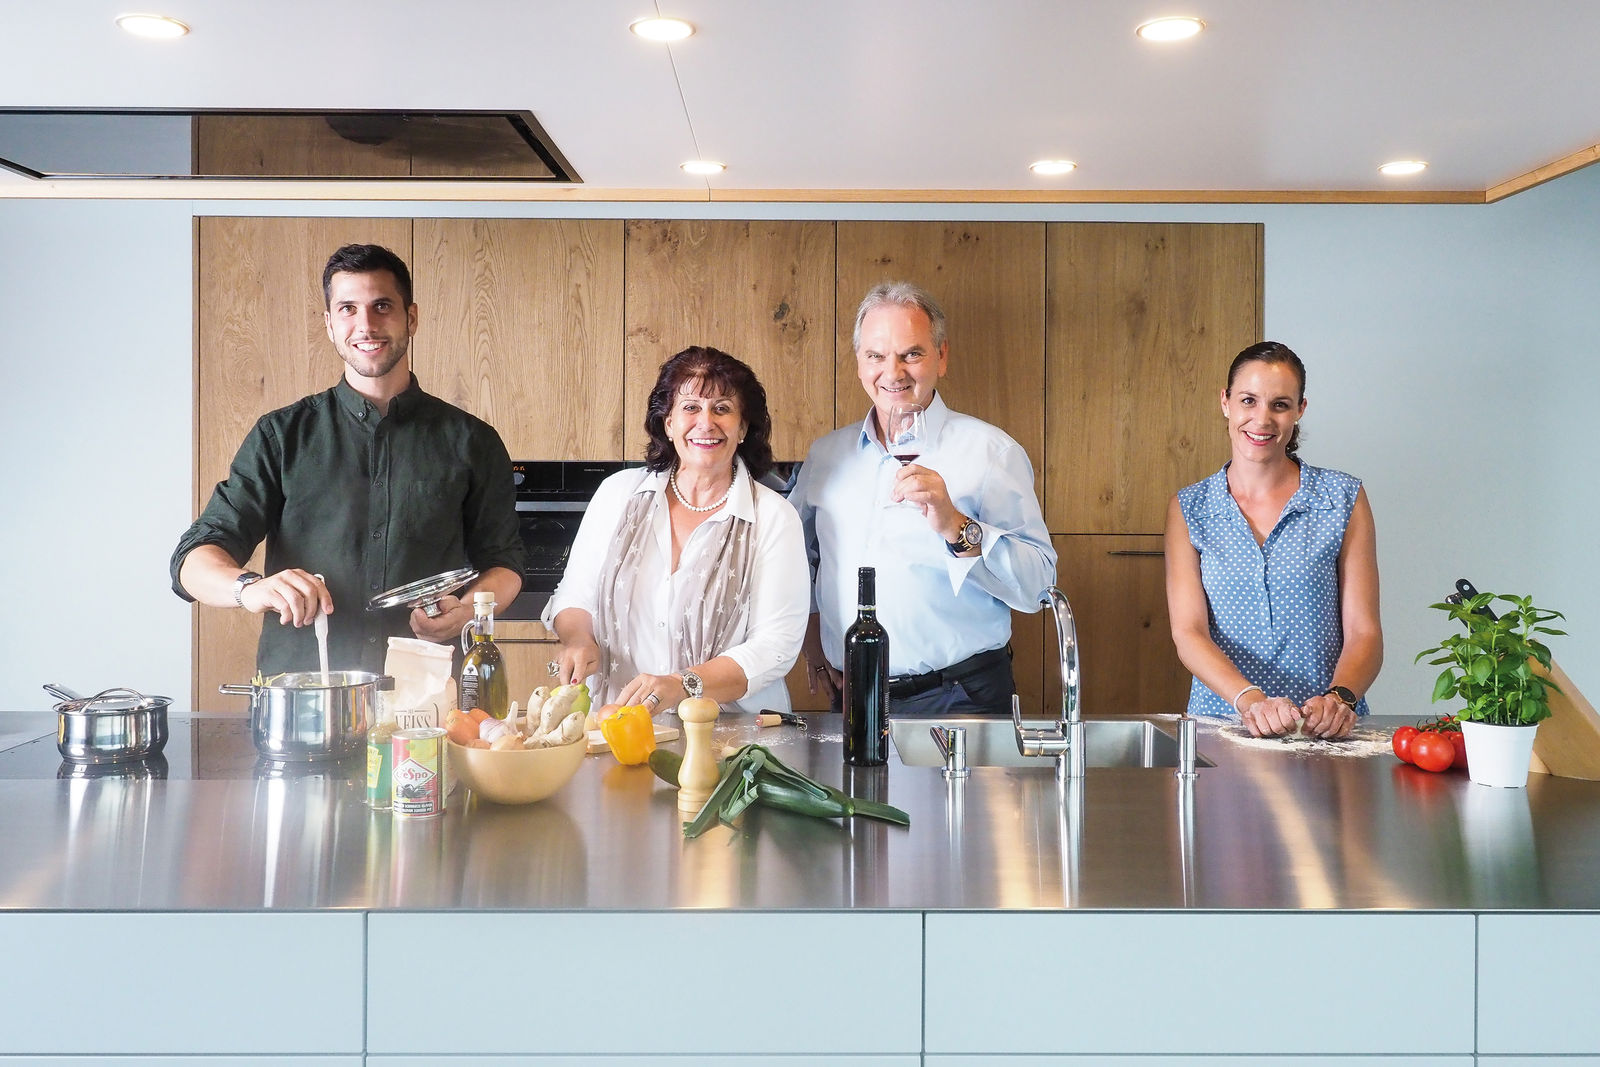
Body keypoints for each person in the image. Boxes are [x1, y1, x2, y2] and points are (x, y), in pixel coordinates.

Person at [171, 243, 525, 676]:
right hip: (304, 693)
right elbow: (192, 560)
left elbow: (505, 563)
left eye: (382, 306)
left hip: (426, 695)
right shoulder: (280, 436)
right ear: (329, 324)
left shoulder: (474, 441)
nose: (366, 325)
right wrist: (250, 588)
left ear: (411, 318)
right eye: (348, 309)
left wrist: (468, 610)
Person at [790, 282, 1057, 716]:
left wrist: (957, 527)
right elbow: (800, 558)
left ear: (941, 357)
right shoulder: (826, 455)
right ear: (859, 362)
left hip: (960, 699)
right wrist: (814, 640)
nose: (892, 372)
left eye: (911, 354)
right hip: (855, 696)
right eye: (876, 356)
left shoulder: (991, 453)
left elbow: (1039, 587)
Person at [542, 346, 808, 713]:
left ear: (743, 427)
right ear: (668, 423)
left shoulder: (774, 517)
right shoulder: (617, 495)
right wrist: (579, 640)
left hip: (732, 734)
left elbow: (775, 646)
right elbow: (575, 596)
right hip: (618, 727)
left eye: (722, 409)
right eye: (690, 407)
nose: (706, 423)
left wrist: (683, 684)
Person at [1164, 340, 1382, 739]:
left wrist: (1341, 697)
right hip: (1223, 725)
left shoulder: (1342, 498)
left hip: (1325, 728)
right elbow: (1188, 632)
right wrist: (1251, 700)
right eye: (1248, 400)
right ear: (1226, 402)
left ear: (1300, 410)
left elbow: (1364, 631)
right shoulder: (1190, 508)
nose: (1261, 419)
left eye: (1280, 404)